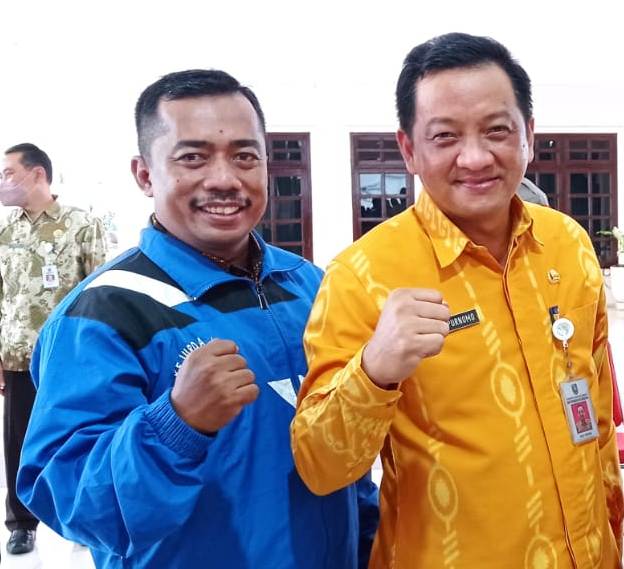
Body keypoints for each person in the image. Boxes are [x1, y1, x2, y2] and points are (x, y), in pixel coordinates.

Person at [17, 70, 378, 568]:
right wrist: (177, 422)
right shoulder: (103, 314)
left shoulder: (311, 286)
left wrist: (370, 543)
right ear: (145, 175)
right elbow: (72, 502)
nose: (225, 179)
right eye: (193, 157)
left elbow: (345, 452)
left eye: (245, 156)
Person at [291, 33, 623, 568]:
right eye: (445, 136)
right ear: (409, 150)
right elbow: (321, 467)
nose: (475, 157)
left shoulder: (567, 243)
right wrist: (374, 371)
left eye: (497, 130)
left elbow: (597, 417)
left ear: (528, 135)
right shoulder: (363, 276)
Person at [0, 143, 107, 555]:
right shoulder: (5, 232)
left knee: (75, 438)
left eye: (8, 173)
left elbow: (100, 293)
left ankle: (82, 516)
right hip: (17, 355)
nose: (3, 183)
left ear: (38, 174)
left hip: (67, 358)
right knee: (18, 442)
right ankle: (21, 522)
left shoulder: (81, 225)